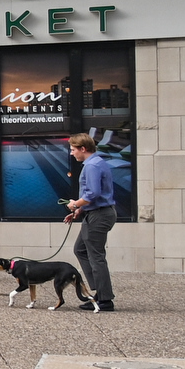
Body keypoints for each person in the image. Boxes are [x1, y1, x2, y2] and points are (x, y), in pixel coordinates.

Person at [65, 134, 116, 312]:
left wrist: (75, 204)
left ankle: (105, 299)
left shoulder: (92, 166)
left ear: (83, 149)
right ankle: (99, 292)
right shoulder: (96, 163)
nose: (72, 153)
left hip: (99, 215)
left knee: (96, 256)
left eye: (73, 150)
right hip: (95, 212)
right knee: (80, 249)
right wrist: (79, 211)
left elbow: (93, 193)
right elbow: (95, 195)